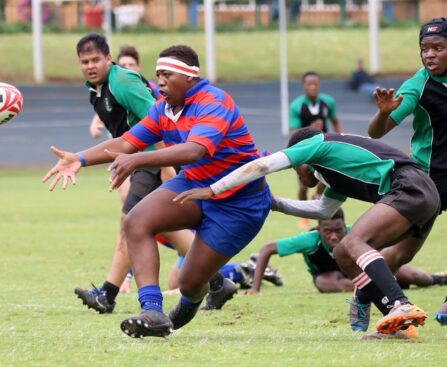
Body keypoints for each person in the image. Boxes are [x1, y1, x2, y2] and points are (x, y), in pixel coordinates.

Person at [43, 44, 271, 338]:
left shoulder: (214, 101)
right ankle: (152, 310)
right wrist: (80, 158)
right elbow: (126, 142)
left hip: (239, 203)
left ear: (189, 77)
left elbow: (194, 150)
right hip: (194, 185)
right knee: (135, 221)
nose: (159, 81)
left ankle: (182, 310)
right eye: (158, 75)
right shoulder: (163, 109)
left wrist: (137, 159)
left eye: (167, 75)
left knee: (189, 284)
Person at [174, 127, 440, 340]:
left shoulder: (315, 145)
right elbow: (324, 210)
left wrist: (214, 189)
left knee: (354, 242)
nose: (298, 175)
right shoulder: (333, 172)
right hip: (427, 194)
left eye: (296, 167)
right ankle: (399, 325)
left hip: (407, 185)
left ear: (301, 154)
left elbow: (263, 165)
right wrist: (276, 203)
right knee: (353, 253)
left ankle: (398, 304)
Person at [69, 35, 234, 317]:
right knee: (155, 225)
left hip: (151, 160)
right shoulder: (96, 90)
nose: (90, 66)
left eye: (96, 59)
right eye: (85, 62)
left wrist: (167, 168)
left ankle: (109, 294)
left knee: (131, 220)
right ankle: (217, 281)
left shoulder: (123, 82)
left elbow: (159, 121)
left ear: (109, 58)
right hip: (139, 161)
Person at [366, 17, 447, 326]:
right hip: (429, 181)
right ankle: (363, 293)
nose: (429, 55)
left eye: (437, 48)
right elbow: (377, 133)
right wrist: (383, 113)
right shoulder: (418, 85)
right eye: (424, 48)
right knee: (402, 254)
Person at [249, 209, 447, 295]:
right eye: (328, 231)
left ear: (344, 226)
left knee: (414, 276)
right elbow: (267, 249)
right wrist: (255, 289)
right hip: (327, 275)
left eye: (338, 230)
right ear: (319, 230)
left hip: (358, 270)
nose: (334, 236)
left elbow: (381, 251)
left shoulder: (354, 234)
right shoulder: (309, 240)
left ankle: (437, 279)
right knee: (326, 283)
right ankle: (378, 289)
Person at [289, 71, 343, 228]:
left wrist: (342, 138)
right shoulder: (297, 106)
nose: (313, 87)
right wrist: (310, 128)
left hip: (323, 148)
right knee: (303, 185)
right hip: (304, 150)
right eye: (309, 84)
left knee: (326, 176)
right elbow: (293, 132)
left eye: (315, 84)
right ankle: (303, 215)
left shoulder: (328, 102)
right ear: (304, 87)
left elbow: (335, 121)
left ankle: (318, 196)